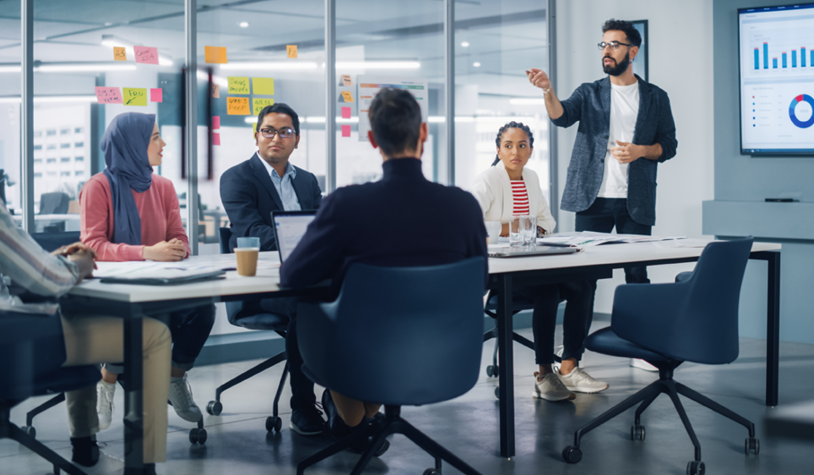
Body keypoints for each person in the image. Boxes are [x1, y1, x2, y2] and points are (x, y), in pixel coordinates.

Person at [0, 89, 171, 473]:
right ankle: (143, 466)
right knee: (151, 335)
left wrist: (44, 262)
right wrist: (78, 267)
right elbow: (49, 282)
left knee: (77, 315)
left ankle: (84, 443)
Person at [280, 88, 488, 453]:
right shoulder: (464, 206)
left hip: (363, 354)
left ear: (374, 139)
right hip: (444, 353)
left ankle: (356, 425)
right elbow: (479, 281)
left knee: (328, 318)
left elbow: (292, 278)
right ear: (423, 132)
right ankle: (359, 424)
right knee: (368, 325)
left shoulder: (347, 204)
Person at [527, 18, 677, 370]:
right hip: (591, 199)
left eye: (614, 45)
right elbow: (562, 117)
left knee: (637, 275)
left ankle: (642, 347)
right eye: (604, 45)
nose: (607, 51)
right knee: (582, 281)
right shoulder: (589, 92)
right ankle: (570, 359)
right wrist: (548, 90)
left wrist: (641, 151)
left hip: (634, 201)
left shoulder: (656, 97)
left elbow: (669, 146)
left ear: (632, 51)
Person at [80, 112, 215, 431]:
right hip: (115, 293)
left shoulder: (164, 186)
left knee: (204, 308)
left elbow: (178, 235)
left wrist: (179, 247)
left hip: (162, 286)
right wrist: (147, 253)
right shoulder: (97, 187)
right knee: (139, 317)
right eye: (155, 137)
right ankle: (107, 381)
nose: (163, 143)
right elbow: (93, 246)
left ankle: (175, 377)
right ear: (132, 144)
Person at [471, 121, 607, 401]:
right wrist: (518, 227)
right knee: (549, 291)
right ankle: (545, 374)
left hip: (533, 261)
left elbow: (546, 221)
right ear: (498, 149)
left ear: (531, 150)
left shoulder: (530, 178)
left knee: (582, 286)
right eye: (508, 146)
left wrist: (524, 227)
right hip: (501, 270)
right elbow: (469, 223)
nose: (515, 151)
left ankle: (569, 366)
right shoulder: (488, 179)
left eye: (522, 145)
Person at [219, 103, 325, 436]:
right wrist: (306, 241)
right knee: (306, 304)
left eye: (285, 131)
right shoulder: (237, 178)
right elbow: (251, 231)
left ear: (297, 140)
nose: (275, 137)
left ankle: (344, 398)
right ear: (257, 136)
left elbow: (325, 227)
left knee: (347, 295)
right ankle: (304, 406)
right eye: (268, 130)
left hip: (307, 276)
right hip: (260, 287)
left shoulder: (307, 181)